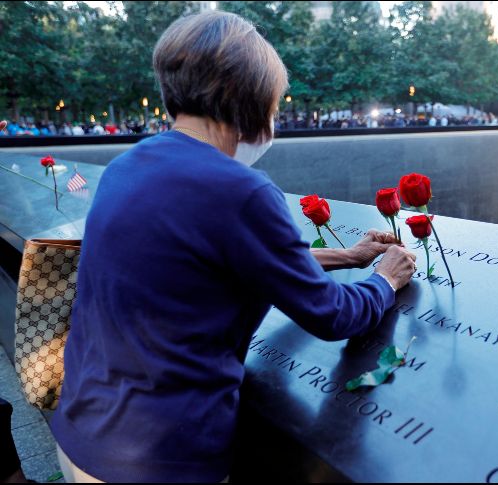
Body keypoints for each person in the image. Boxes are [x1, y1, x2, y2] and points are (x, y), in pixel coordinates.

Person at [50, 11, 417, 483]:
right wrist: (384, 278)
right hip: (162, 461)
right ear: (249, 99)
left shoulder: (127, 166)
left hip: (81, 436)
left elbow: (213, 264)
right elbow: (332, 315)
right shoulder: (240, 191)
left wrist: (347, 256)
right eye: (274, 104)